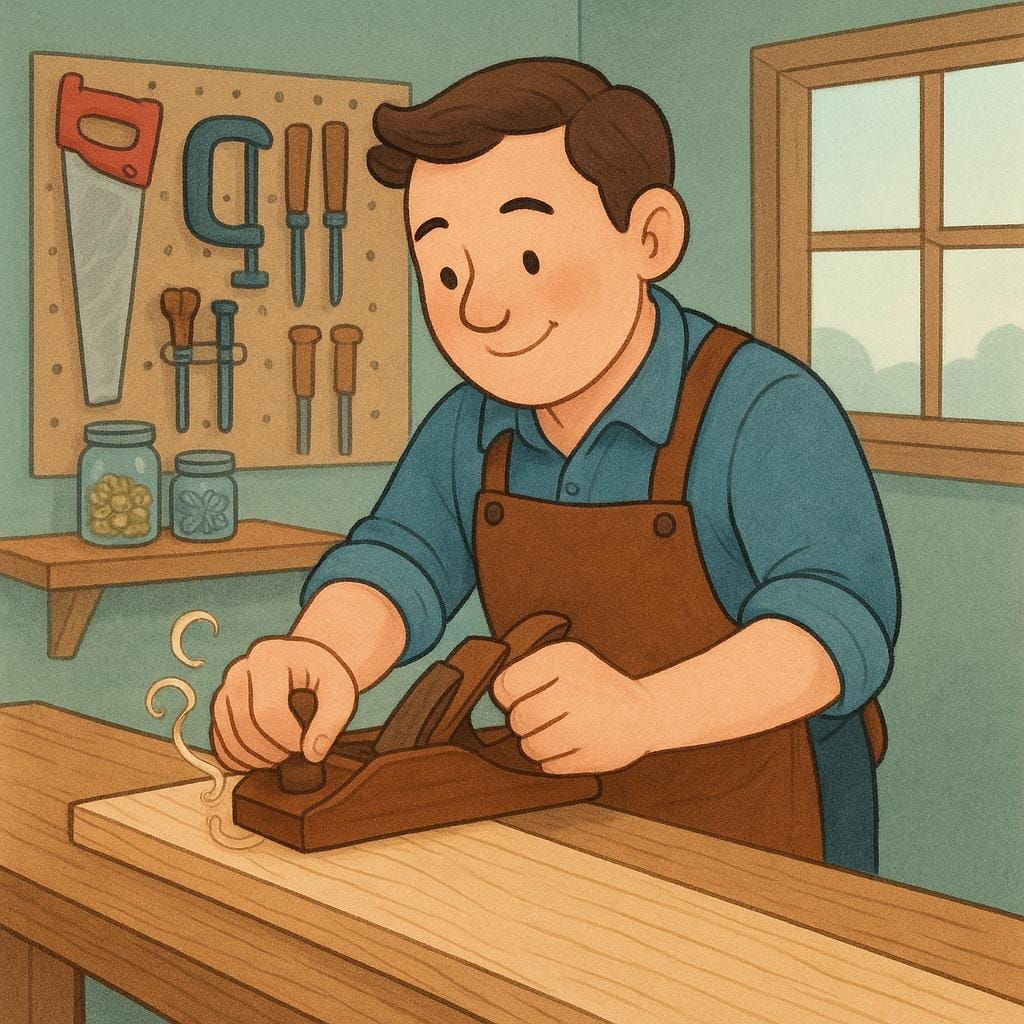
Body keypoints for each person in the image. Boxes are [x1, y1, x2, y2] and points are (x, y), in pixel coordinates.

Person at [211, 58, 900, 873]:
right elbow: (401, 559)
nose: (480, 309)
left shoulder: (763, 408)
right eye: (446, 271)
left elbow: (835, 625)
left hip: (769, 834)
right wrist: (321, 654)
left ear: (649, 237)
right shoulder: (474, 424)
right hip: (570, 827)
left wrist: (647, 711)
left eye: (529, 258)